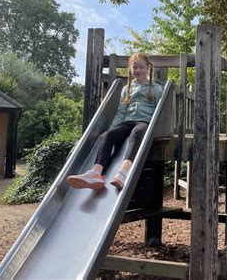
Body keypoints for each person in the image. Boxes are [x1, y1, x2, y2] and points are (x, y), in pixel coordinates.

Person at [67, 53, 163, 191]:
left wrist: (155, 129)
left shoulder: (156, 88)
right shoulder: (127, 89)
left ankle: (122, 173)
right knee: (110, 135)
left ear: (148, 68)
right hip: (128, 121)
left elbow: (158, 111)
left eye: (141, 67)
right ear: (130, 69)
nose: (137, 70)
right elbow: (121, 112)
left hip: (145, 122)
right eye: (134, 67)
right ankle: (95, 173)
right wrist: (111, 128)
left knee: (136, 134)